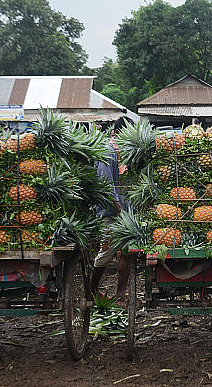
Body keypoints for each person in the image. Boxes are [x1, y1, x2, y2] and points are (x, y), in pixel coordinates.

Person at [92, 118, 132, 302]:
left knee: (126, 251)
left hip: (125, 211)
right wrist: (119, 210)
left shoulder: (125, 151)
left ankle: (120, 295)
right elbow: (106, 186)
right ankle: (91, 290)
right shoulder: (107, 152)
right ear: (117, 133)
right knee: (106, 251)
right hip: (109, 211)